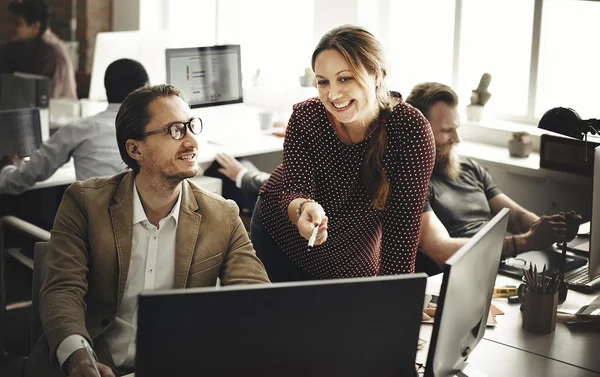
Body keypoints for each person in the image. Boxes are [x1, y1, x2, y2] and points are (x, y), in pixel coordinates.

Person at [25, 84, 270, 377]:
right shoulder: (84, 203)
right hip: (91, 363)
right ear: (135, 149)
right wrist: (78, 358)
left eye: (191, 126)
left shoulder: (222, 214)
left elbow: (255, 300)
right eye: (175, 130)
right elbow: (62, 290)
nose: (191, 141)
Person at [251, 25, 436, 282]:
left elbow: (402, 230)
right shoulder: (307, 116)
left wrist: (401, 300)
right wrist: (304, 207)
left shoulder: (409, 129)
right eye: (322, 82)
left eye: (345, 78)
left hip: (352, 258)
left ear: (377, 75)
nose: (333, 94)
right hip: (282, 239)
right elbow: (293, 189)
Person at [405, 81, 574, 274]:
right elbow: (441, 251)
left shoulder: (469, 168)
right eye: (446, 130)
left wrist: (550, 228)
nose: (457, 139)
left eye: (456, 128)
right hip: (460, 277)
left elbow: (516, 217)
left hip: (495, 268)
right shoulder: (412, 182)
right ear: (418, 131)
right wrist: (525, 242)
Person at [0, 58, 149, 195]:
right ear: (143, 91)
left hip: (93, 222)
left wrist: (7, 170)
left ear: (106, 88)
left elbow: (18, 180)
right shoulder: (154, 132)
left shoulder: (79, 130)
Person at [0, 0, 77, 99]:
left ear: (36, 26)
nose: (9, 28)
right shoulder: (16, 45)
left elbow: (46, 99)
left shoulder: (52, 52)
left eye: (17, 23)